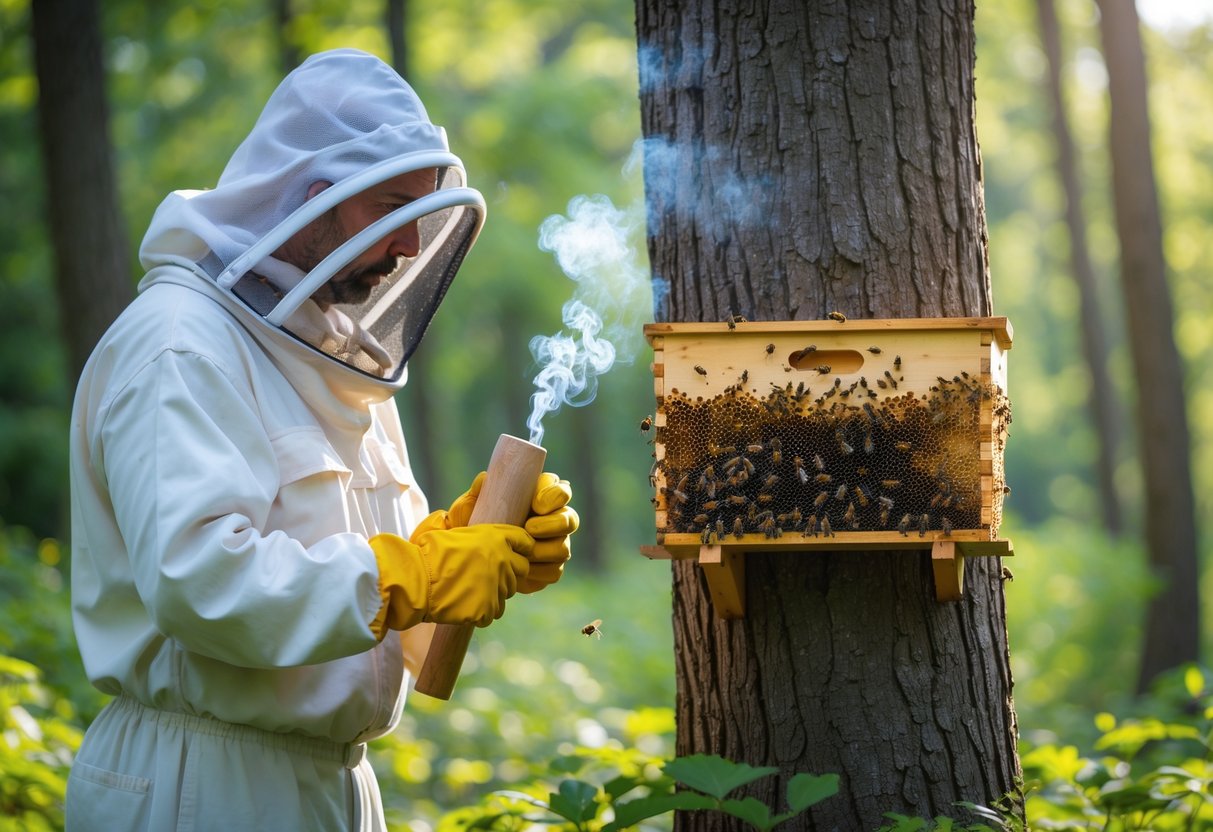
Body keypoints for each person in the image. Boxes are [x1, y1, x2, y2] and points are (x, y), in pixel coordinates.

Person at [65, 48, 578, 831]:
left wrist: (455, 550)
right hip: (199, 783)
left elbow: (372, 602)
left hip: (335, 786)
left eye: (422, 212)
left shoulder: (334, 354)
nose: (411, 245)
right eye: (391, 210)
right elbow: (200, 581)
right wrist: (413, 572)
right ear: (314, 197)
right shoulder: (182, 344)